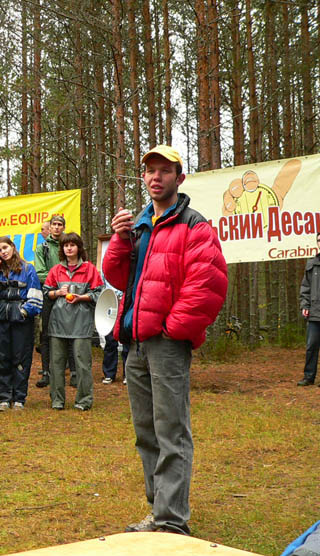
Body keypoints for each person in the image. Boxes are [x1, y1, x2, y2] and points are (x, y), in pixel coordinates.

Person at [104, 144, 227, 535]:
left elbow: (207, 284)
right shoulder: (139, 226)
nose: (155, 177)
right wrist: (120, 240)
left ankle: (173, 521)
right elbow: (120, 279)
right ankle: (158, 511)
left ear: (179, 178)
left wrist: (173, 330)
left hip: (165, 343)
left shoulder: (194, 225)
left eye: (164, 171)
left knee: (170, 430)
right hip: (135, 342)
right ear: (144, 178)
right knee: (146, 432)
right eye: (150, 171)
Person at [43, 232, 103, 411]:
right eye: (66, 245)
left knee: (83, 363)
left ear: (79, 248)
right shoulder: (56, 270)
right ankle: (57, 400)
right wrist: (58, 293)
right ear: (62, 249)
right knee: (57, 363)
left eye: (72, 245)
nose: (69, 248)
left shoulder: (90, 269)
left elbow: (99, 293)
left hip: (81, 323)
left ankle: (84, 400)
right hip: (58, 323)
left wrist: (81, 297)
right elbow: (46, 292)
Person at [0, 236, 43, 411]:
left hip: (21, 320)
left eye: (5, 247)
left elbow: (35, 296)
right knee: (1, 357)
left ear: (13, 247)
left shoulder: (27, 269)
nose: (3, 252)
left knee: (21, 358)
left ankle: (19, 397)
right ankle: (4, 397)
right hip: (0, 320)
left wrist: (24, 312)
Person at [34, 215, 76, 388]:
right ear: (49, 227)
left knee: (72, 332)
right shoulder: (42, 248)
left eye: (60, 225)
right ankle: (46, 372)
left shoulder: (70, 244)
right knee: (46, 333)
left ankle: (74, 372)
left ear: (64, 227)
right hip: (49, 293)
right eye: (54, 225)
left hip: (71, 294)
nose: (57, 227)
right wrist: (58, 281)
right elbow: (39, 273)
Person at [298, 232, 320, 386]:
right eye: (319, 240)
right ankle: (308, 377)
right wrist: (305, 306)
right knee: (311, 346)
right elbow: (305, 288)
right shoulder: (312, 264)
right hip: (314, 313)